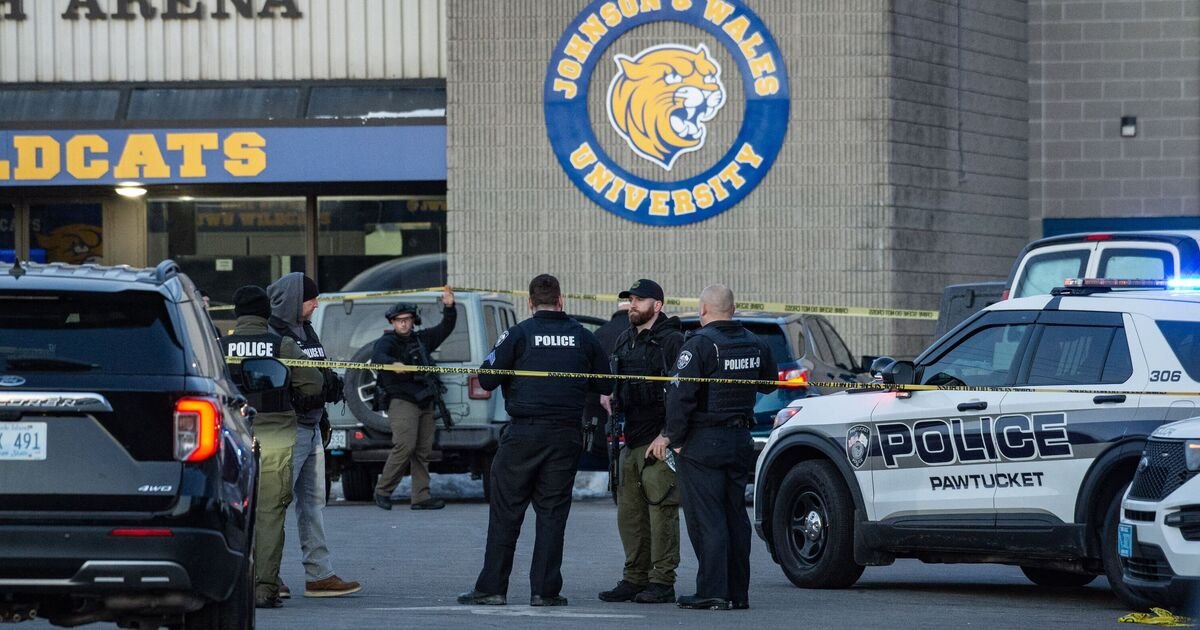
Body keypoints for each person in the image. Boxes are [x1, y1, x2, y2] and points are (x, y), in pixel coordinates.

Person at [458, 274, 611, 607]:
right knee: (552, 515)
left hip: (524, 435)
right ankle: (545, 591)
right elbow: (606, 383)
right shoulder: (583, 337)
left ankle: (492, 588)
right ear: (561, 300)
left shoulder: (518, 334)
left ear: (529, 302)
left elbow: (487, 378)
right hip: (565, 436)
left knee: (506, 513)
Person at [649, 284, 777, 611]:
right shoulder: (755, 342)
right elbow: (768, 383)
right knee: (735, 516)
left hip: (704, 442)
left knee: (707, 519)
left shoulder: (700, 344)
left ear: (703, 309)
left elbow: (680, 395)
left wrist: (674, 439)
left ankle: (712, 591)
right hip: (740, 439)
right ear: (733, 309)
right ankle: (737, 592)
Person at [222, 285, 324, 609]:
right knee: (269, 513)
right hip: (275, 437)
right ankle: (265, 588)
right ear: (266, 312)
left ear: (237, 313)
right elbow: (314, 384)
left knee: (227, 513)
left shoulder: (218, 347)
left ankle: (228, 587)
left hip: (229, 439)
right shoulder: (281, 344)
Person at [266, 272, 361, 599]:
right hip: (287, 431)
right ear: (294, 301)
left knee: (313, 505)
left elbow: (316, 370)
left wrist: (331, 382)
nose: (316, 305)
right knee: (274, 505)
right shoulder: (273, 334)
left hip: (312, 427)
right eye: (310, 299)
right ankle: (266, 576)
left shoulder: (305, 330)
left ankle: (319, 574)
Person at [598, 280, 684, 605]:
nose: (632, 304)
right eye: (631, 299)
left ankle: (662, 581)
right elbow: (616, 383)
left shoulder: (672, 341)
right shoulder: (625, 339)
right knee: (630, 515)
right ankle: (635, 578)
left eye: (639, 300)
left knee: (661, 513)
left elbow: (683, 393)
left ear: (657, 305)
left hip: (659, 441)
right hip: (631, 438)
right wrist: (609, 394)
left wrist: (669, 435)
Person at [372, 286, 458, 511]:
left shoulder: (421, 339)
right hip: (402, 400)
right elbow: (378, 356)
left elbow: (445, 328)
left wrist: (449, 307)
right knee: (405, 445)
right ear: (392, 322)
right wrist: (393, 364)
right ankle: (383, 491)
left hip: (424, 400)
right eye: (399, 320)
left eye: (407, 320)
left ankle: (421, 496)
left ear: (413, 320)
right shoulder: (387, 342)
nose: (403, 324)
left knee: (423, 450)